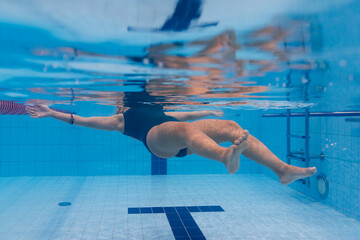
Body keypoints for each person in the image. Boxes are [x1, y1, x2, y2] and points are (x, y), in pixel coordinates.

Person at [25, 104, 316, 185]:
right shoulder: (120, 119)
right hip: (156, 142)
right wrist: (52, 113)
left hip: (180, 134)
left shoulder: (162, 107)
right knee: (184, 128)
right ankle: (225, 156)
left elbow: (188, 114)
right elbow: (82, 120)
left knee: (229, 127)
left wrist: (210, 112)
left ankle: (283, 170)